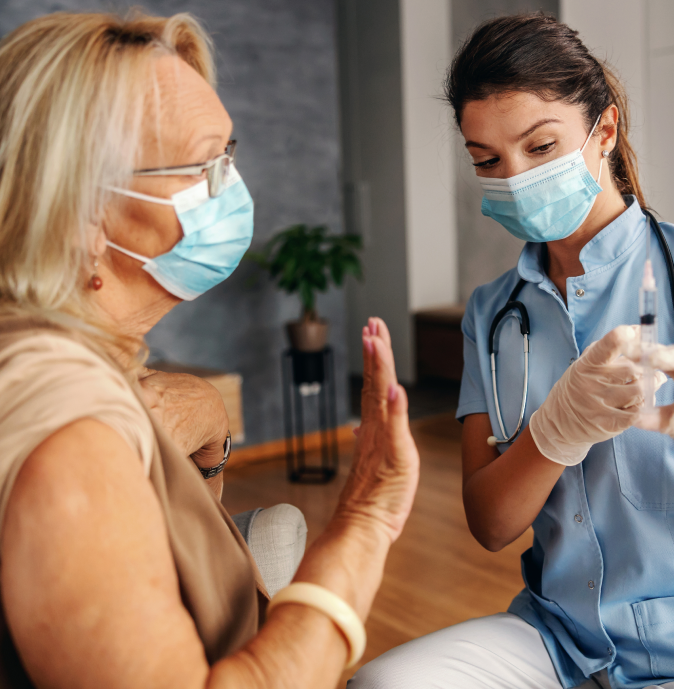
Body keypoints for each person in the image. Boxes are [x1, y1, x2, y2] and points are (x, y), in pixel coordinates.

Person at [0, 11, 420, 689]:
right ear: (77, 208)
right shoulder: (69, 439)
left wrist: (203, 416)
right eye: (202, 164)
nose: (232, 186)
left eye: (229, 155)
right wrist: (367, 518)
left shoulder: (83, 360)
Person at [349, 13, 674, 689]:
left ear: (605, 131)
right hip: (559, 636)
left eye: (541, 146)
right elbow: (492, 523)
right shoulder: (493, 314)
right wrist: (557, 432)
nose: (514, 176)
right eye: (487, 160)